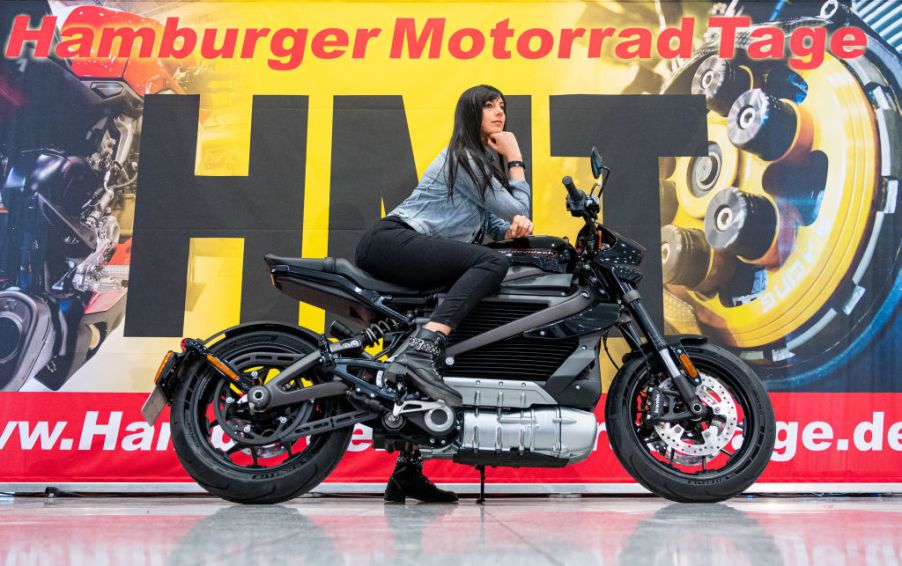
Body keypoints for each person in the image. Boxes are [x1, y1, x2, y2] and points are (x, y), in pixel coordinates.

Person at [355, 84, 534, 503]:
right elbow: (516, 207)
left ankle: (407, 473)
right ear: (470, 114)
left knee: (453, 354)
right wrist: (515, 157)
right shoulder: (465, 157)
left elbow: (495, 226)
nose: (499, 113)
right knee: (492, 265)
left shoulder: (480, 170)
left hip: (407, 246)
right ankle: (425, 343)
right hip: (393, 240)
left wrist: (511, 231)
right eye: (489, 106)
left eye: (502, 107)